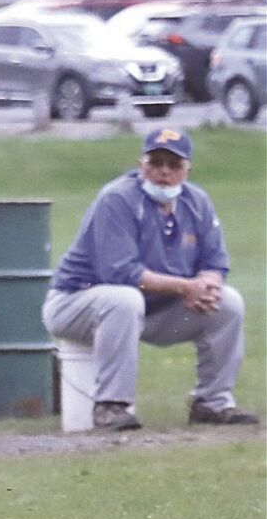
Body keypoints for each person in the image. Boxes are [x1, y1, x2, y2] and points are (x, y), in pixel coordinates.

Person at [42, 128, 255, 431]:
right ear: (141, 164)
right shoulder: (118, 199)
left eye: (173, 164)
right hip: (75, 302)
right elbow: (121, 273)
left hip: (152, 309)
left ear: (187, 170)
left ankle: (212, 402)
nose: (164, 172)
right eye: (156, 162)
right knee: (123, 299)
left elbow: (215, 262)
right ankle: (111, 406)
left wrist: (207, 284)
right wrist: (185, 286)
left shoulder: (197, 203)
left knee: (228, 303)